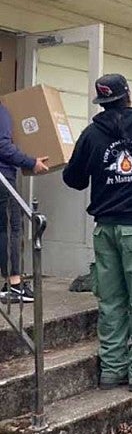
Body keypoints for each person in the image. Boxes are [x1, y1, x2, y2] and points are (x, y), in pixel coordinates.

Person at [63, 73, 132, 391]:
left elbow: (74, 179)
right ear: (128, 95)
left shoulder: (90, 135)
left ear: (102, 101)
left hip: (106, 229)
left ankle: (112, 370)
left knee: (111, 301)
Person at [0, 103, 48, 304]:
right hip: (2, 177)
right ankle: (14, 284)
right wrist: (31, 162)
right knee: (10, 228)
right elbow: (3, 146)